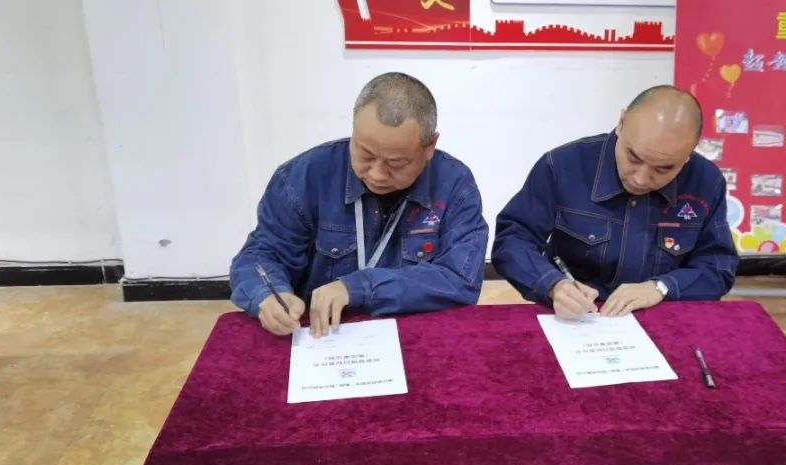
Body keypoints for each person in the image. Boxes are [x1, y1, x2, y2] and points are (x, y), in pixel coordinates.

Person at [230, 72, 488, 337]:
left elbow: (460, 279)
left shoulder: (455, 186)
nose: (377, 174)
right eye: (365, 154)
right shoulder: (303, 178)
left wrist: (359, 287)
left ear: (430, 145)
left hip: (417, 336)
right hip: (323, 337)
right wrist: (267, 295)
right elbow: (262, 255)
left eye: (396, 163)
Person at [491, 85, 738, 320]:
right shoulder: (564, 166)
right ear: (621, 123)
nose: (641, 179)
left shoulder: (706, 182)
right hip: (578, 318)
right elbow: (513, 239)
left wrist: (662, 287)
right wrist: (553, 284)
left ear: (688, 155)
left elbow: (718, 267)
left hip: (664, 318)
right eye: (633, 157)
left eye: (663, 169)